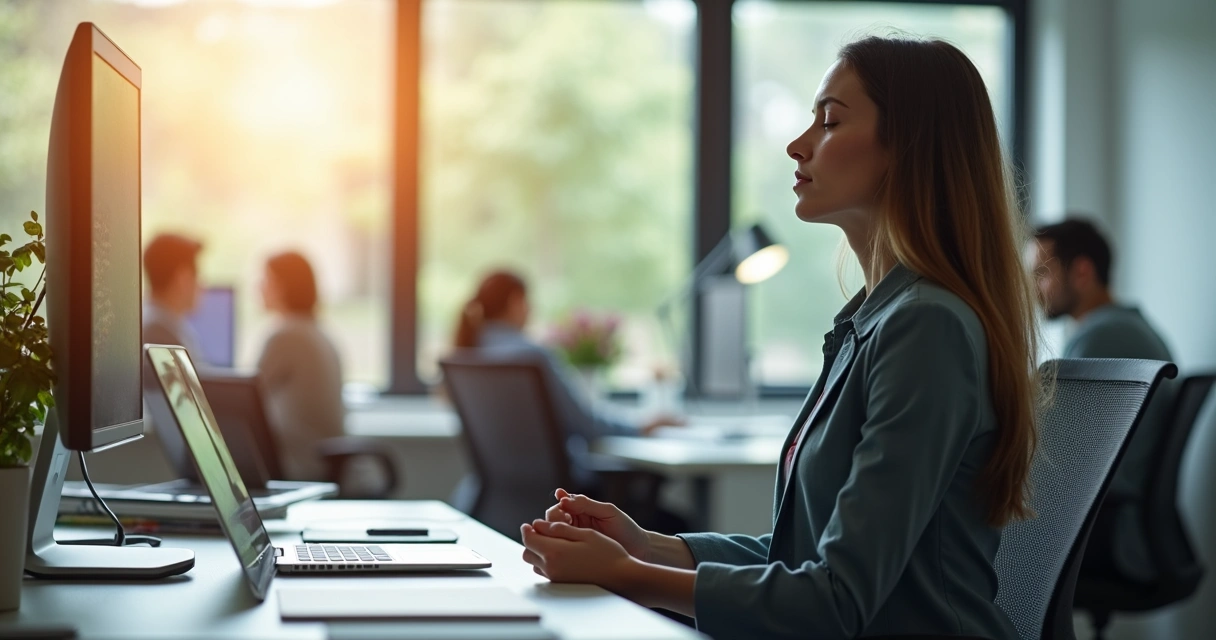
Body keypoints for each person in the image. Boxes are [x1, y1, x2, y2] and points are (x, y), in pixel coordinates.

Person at [518, 36, 1042, 640]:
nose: (797, 145)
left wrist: (630, 575)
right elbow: (800, 557)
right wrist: (647, 547)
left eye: (829, 121)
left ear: (908, 146)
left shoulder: (927, 327)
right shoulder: (873, 319)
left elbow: (833, 601)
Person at [1029, 218, 1175, 581]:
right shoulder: (1127, 328)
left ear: (1081, 271)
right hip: (1123, 523)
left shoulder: (1101, 340)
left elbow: (1055, 457)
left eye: (1041, 275)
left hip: (1109, 534)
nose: (1034, 291)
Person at [451, 270, 682, 448]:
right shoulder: (532, 357)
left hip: (500, 500)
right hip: (561, 498)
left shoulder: (467, 356)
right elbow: (585, 424)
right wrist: (642, 425)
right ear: (515, 301)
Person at [256, 251, 345, 482]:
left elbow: (246, 399)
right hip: (319, 463)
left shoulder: (287, 336)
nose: (259, 287)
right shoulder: (317, 331)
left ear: (283, 286)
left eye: (266, 280)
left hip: (302, 467)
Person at [142, 233, 205, 363]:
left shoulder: (157, 321)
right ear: (182, 279)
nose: (201, 285)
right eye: (197, 275)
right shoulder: (161, 332)